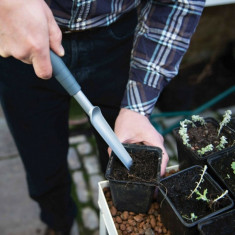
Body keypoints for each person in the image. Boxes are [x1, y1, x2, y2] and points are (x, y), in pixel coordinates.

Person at [0, 0, 205, 234]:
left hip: (115, 41)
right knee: (42, 163)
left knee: (113, 158)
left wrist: (136, 110)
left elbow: (181, 3)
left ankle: (115, 211)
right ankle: (58, 224)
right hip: (22, 37)